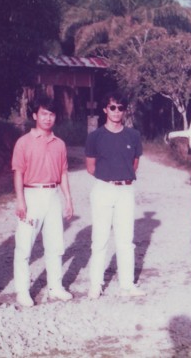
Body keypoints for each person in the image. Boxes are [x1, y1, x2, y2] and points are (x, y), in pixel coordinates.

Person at [11, 96, 74, 307]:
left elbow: (63, 173)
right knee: (24, 245)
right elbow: (18, 173)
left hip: (52, 195)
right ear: (35, 115)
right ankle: (22, 291)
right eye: (44, 114)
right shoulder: (23, 142)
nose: (48, 118)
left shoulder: (60, 144)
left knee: (55, 244)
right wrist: (20, 201)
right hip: (31, 195)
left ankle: (55, 287)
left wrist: (68, 199)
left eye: (51, 114)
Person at [85, 91, 145, 299]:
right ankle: (96, 284)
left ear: (125, 110)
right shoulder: (95, 137)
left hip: (125, 190)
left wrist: (121, 177)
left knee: (125, 240)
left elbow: (134, 164)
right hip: (103, 189)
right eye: (112, 107)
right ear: (105, 109)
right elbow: (90, 166)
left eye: (120, 108)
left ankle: (127, 285)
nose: (116, 111)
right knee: (100, 239)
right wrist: (108, 177)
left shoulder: (133, 136)